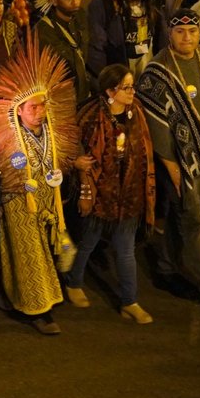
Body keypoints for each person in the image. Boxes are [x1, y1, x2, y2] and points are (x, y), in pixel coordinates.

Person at [136, 10, 200, 314]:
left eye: (192, 32)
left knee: (182, 217)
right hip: (180, 162)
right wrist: (172, 168)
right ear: (170, 34)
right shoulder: (158, 70)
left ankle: (167, 269)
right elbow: (156, 126)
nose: (187, 38)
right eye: (181, 32)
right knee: (192, 219)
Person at [0, 39, 84, 335]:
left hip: (48, 200)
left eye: (43, 105)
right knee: (30, 257)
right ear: (19, 110)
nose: (40, 111)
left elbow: (60, 163)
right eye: (33, 107)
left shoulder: (52, 135)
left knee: (50, 252)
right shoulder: (6, 137)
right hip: (18, 201)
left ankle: (43, 298)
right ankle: (38, 310)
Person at [68, 64, 155, 323]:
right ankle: (73, 282)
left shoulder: (136, 111)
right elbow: (71, 145)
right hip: (100, 190)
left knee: (126, 250)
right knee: (88, 241)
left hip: (128, 193)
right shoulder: (90, 115)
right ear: (109, 90)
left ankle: (130, 301)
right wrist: (76, 162)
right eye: (125, 87)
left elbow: (144, 149)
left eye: (132, 86)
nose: (132, 92)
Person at [34, 0, 95, 103]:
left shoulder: (81, 16)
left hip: (83, 95)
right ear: (53, 0)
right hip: (60, 100)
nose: (75, 2)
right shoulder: (42, 31)